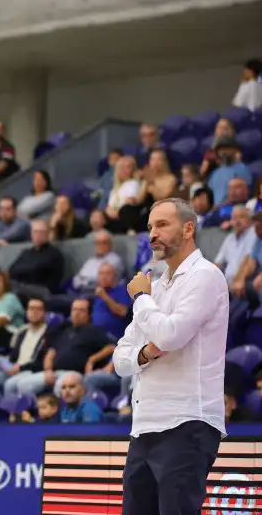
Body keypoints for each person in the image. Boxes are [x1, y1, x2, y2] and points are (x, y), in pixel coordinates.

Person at [113, 198, 227, 515]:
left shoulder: (206, 276)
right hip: (144, 426)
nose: (153, 234)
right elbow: (121, 359)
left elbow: (170, 335)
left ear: (188, 228)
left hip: (187, 422)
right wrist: (147, 352)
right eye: (150, 227)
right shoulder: (157, 286)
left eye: (162, 225)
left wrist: (140, 297)